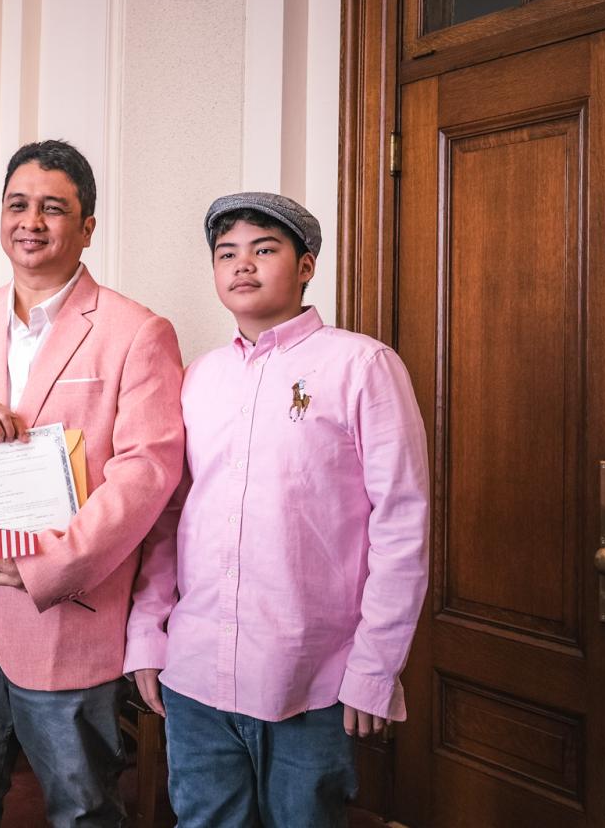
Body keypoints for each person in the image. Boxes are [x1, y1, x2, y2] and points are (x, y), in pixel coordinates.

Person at [125, 192, 429, 827]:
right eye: (226, 253)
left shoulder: (362, 365)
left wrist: (375, 669)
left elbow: (401, 524)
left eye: (264, 249)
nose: (243, 265)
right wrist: (147, 636)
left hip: (313, 678)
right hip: (196, 671)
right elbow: (168, 517)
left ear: (306, 265)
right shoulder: (197, 377)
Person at [0, 139, 186, 826]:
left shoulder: (137, 331)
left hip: (66, 609)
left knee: (82, 807)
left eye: (53, 208)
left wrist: (51, 562)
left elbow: (147, 472)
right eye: (17, 204)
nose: (30, 222)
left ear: (87, 227)